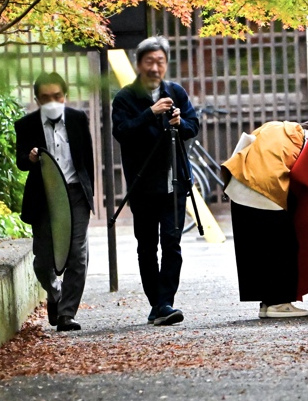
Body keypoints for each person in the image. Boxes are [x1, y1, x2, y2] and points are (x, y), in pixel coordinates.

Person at [112, 36, 199, 326]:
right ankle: (157, 303)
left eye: (160, 61)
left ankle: (165, 302)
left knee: (172, 244)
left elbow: (192, 126)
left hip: (174, 181)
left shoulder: (176, 91)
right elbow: (122, 132)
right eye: (149, 61)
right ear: (139, 64)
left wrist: (179, 123)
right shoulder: (125, 97)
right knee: (147, 246)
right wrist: (150, 113)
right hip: (143, 184)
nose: (155, 67)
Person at [15, 73, 94, 332]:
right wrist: (31, 158)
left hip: (75, 193)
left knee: (77, 255)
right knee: (43, 259)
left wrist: (88, 194)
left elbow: (87, 161)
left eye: (57, 96)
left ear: (65, 96)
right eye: (46, 97)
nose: (53, 101)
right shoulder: (26, 125)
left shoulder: (78, 119)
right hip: (44, 197)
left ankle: (66, 314)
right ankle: (54, 290)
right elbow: (20, 162)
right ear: (36, 99)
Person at [223, 119, 308, 318]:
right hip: (267, 189)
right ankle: (280, 302)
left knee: (257, 249)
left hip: (239, 184)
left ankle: (266, 302)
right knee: (282, 245)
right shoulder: (307, 139)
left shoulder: (275, 127)